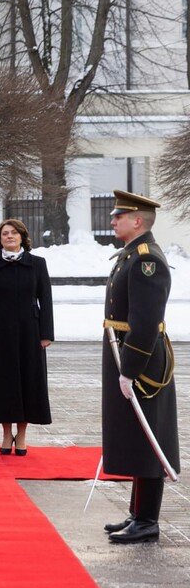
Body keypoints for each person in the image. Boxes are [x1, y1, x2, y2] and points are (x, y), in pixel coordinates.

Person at [101, 190, 180, 544]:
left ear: (137, 221)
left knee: (149, 436)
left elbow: (146, 322)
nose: (113, 220)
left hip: (142, 359)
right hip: (126, 353)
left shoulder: (147, 260)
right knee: (136, 433)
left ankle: (148, 520)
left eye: (119, 216)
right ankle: (137, 513)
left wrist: (130, 369)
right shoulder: (130, 255)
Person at [0, 219, 54, 456]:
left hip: (30, 331)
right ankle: (7, 434)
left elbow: (45, 300)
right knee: (3, 383)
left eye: (13, 233)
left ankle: (23, 435)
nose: (9, 236)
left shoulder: (37, 264)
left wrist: (46, 334)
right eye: (4, 234)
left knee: (28, 382)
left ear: (22, 237)